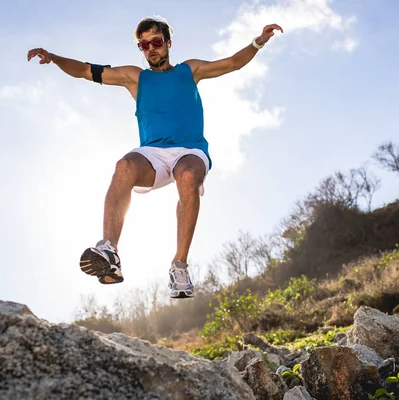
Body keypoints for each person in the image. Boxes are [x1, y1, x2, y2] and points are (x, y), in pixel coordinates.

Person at [27, 17, 283, 298]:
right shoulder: (135, 77)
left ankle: (180, 265)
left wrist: (259, 41)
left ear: (168, 43)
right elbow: (86, 71)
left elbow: (232, 62)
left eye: (156, 42)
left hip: (190, 149)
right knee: (124, 165)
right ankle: (109, 253)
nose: (151, 49)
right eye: (144, 45)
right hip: (152, 153)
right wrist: (53, 58)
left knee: (187, 175)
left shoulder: (190, 70)